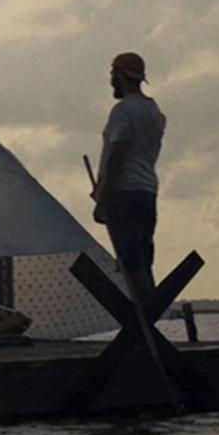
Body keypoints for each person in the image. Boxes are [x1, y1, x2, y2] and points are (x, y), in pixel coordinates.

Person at [92, 52, 166, 310]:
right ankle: (149, 314)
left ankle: (146, 315)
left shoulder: (123, 111)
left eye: (113, 74)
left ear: (121, 75)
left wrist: (102, 196)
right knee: (143, 259)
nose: (111, 79)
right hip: (147, 191)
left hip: (123, 193)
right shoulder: (155, 112)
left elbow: (118, 153)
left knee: (130, 261)